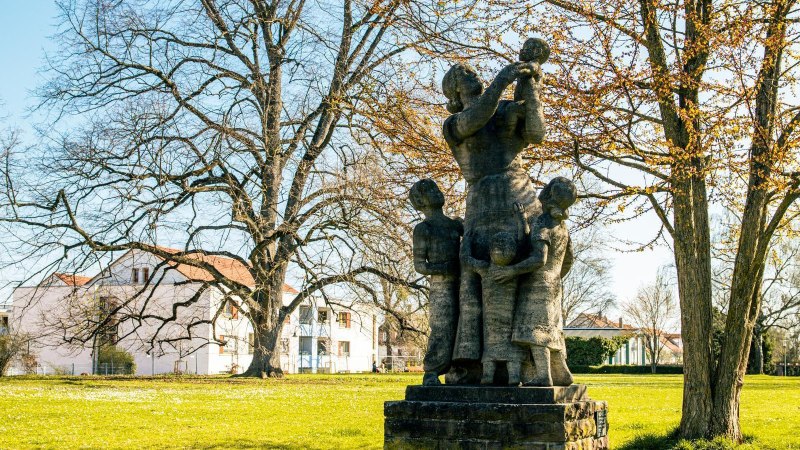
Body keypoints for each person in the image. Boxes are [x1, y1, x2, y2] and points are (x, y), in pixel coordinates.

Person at [441, 57, 545, 382]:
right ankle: (472, 364)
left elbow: (537, 133)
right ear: (455, 95)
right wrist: (503, 81)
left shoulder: (502, 110)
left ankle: (529, 361)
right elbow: (478, 116)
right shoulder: (456, 123)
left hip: (518, 195)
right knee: (477, 282)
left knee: (528, 272)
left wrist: (531, 86)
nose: (471, 76)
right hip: (484, 201)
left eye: (471, 71)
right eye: (462, 76)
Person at [509, 177, 577, 386]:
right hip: (554, 284)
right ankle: (562, 373)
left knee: (535, 331)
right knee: (551, 329)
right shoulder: (562, 226)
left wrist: (511, 271)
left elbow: (539, 258)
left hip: (537, 282)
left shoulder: (543, 221)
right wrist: (554, 277)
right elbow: (568, 261)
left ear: (547, 195)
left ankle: (543, 376)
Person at [409, 179, 463, 386]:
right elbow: (420, 265)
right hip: (441, 286)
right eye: (430, 190)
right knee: (442, 326)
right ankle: (432, 370)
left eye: (436, 187)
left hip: (462, 283)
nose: (437, 192)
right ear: (420, 202)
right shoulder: (424, 229)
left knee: (463, 325)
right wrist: (444, 268)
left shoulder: (455, 225)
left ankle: (460, 368)